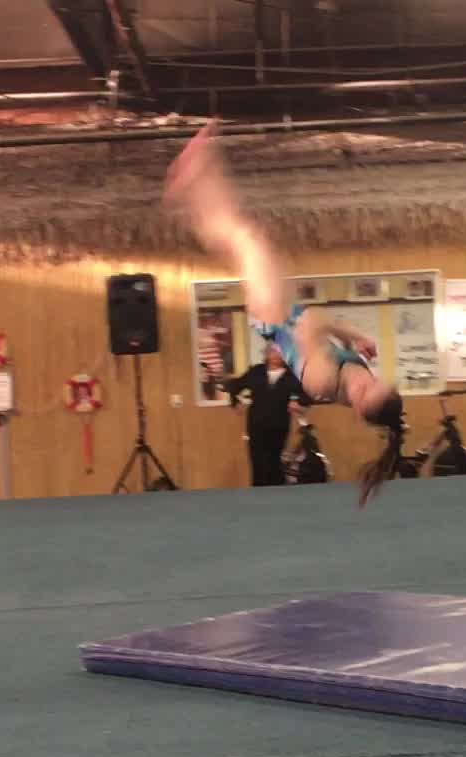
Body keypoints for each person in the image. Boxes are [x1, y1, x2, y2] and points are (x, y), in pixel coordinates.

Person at [163, 119, 406, 506]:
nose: (365, 380)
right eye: (375, 381)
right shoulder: (360, 379)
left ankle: (193, 178)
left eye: (364, 391)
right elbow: (320, 326)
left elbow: (313, 322)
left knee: (244, 238)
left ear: (358, 408)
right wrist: (349, 338)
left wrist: (352, 335)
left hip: (273, 318)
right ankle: (195, 177)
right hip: (286, 311)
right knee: (248, 237)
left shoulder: (323, 382)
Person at [224, 339, 313, 486]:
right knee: (257, 463)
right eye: (272, 351)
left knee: (274, 463)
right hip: (256, 425)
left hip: (279, 425)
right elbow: (234, 385)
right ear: (266, 353)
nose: (276, 354)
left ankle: (277, 495)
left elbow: (308, 394)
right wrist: (235, 403)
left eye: (279, 351)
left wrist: (298, 403)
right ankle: (258, 495)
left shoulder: (292, 375)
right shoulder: (256, 371)